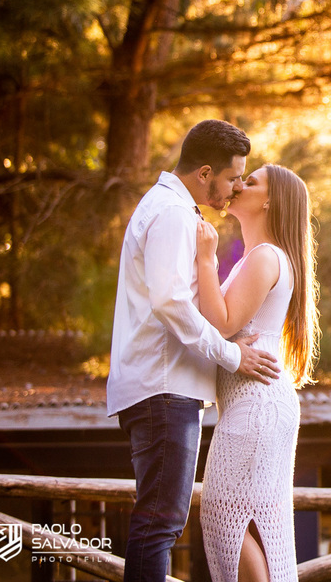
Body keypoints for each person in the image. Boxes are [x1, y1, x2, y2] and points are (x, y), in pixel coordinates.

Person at [106, 119, 283, 582]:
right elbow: (171, 303)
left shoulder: (173, 210)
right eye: (232, 178)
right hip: (164, 390)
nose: (236, 187)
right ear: (205, 173)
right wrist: (232, 356)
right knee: (159, 524)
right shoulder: (172, 213)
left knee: (158, 521)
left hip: (162, 387)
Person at [194, 163, 320, 582]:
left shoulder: (266, 256)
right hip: (256, 403)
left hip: (256, 405)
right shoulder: (259, 257)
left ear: (269, 200)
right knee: (244, 522)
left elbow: (224, 323)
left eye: (251, 181)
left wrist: (206, 259)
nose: (238, 185)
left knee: (226, 518)